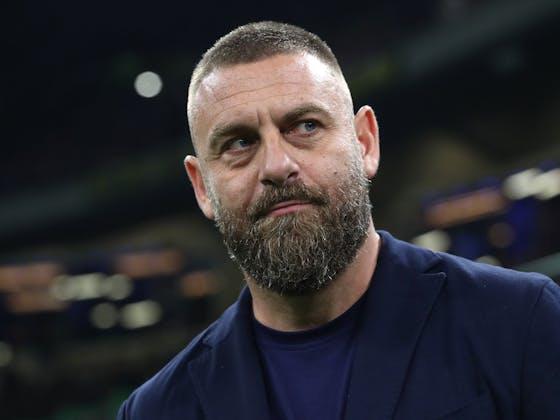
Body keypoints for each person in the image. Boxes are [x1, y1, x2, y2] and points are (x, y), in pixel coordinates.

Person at [117, 21, 560, 419]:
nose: (276, 165)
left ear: (365, 142)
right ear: (201, 187)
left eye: (305, 126)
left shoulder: (520, 323)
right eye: (239, 143)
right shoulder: (156, 410)